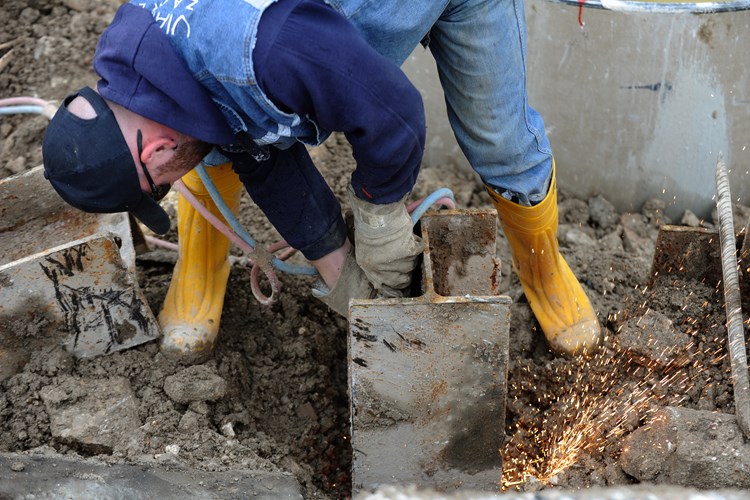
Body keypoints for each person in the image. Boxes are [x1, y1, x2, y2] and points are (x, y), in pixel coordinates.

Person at [42, 0, 600, 363]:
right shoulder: (144, 56)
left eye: (158, 185)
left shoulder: (263, 56)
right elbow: (255, 148)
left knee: (500, 141)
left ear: (155, 151)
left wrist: (380, 216)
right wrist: (340, 274)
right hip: (318, 35)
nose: (170, 184)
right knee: (207, 128)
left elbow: (394, 114)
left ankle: (543, 267)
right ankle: (200, 267)